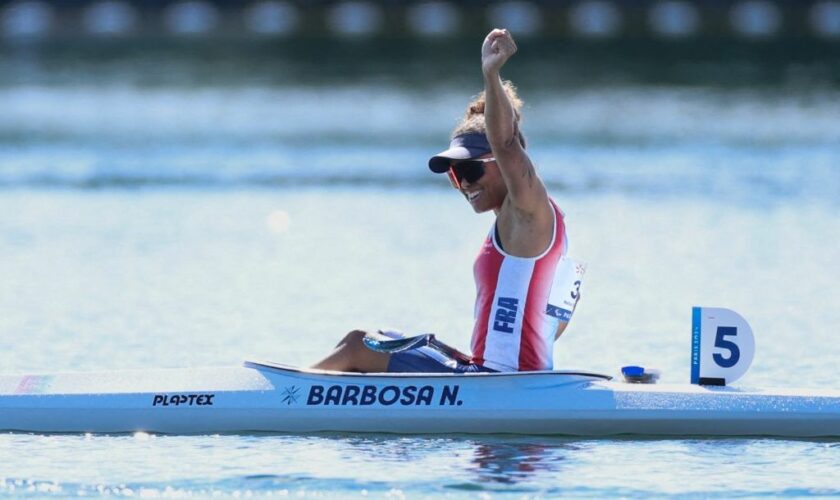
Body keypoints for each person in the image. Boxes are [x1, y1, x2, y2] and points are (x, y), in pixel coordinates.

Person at [312, 28, 577, 373]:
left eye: (469, 169)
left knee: (357, 345)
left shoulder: (528, 210)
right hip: (500, 377)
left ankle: (279, 398)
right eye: (454, 174)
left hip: (501, 384)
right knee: (383, 338)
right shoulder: (526, 226)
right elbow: (554, 323)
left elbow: (507, 145)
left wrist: (491, 73)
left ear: (502, 164)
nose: (463, 183)